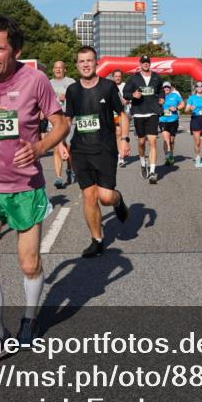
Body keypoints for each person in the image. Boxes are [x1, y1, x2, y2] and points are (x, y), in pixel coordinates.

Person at [0, 15, 70, 370]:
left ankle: (30, 319)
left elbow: (62, 123)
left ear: (16, 50)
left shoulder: (35, 81)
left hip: (24, 188)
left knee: (29, 263)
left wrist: (40, 148)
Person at [57, 46, 131, 259]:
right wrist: (61, 143)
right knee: (89, 196)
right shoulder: (72, 91)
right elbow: (67, 120)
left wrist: (124, 139)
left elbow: (122, 114)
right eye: (82, 61)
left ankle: (118, 200)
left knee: (105, 197)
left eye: (89, 60)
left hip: (105, 149)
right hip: (80, 151)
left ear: (96, 62)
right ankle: (97, 240)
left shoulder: (108, 87)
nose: (86, 64)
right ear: (77, 64)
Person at [123, 54, 165, 184]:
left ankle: (152, 171)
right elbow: (125, 93)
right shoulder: (134, 78)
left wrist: (162, 98)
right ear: (140, 64)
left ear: (150, 64)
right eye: (143, 62)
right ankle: (143, 163)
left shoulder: (157, 77)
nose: (146, 64)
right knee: (141, 142)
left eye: (147, 62)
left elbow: (161, 90)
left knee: (152, 141)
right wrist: (132, 95)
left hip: (152, 112)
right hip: (139, 113)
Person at [48, 61, 76, 188]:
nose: (58, 70)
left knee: (68, 147)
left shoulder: (71, 82)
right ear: (53, 70)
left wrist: (68, 98)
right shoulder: (48, 83)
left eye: (61, 68)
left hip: (69, 118)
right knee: (56, 147)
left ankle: (69, 170)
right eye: (56, 68)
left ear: (65, 70)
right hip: (54, 118)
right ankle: (58, 177)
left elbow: (78, 99)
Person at [185, 81, 202, 169]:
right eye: (197, 86)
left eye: (201, 86)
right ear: (195, 88)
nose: (199, 87)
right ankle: (198, 157)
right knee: (197, 142)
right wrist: (190, 108)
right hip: (196, 119)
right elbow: (186, 110)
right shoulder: (192, 98)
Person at [158, 81, 184, 167]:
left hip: (173, 120)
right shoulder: (159, 97)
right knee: (166, 139)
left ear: (170, 88)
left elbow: (182, 104)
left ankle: (170, 154)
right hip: (163, 120)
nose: (166, 88)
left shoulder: (175, 96)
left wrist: (176, 108)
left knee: (171, 140)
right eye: (164, 87)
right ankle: (167, 157)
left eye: (167, 87)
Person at [111, 69, 129, 166]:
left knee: (119, 133)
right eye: (116, 76)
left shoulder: (125, 86)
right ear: (113, 77)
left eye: (119, 76)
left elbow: (130, 96)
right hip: (110, 113)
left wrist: (127, 100)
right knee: (112, 135)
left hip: (121, 113)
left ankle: (120, 156)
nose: (117, 78)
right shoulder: (110, 85)